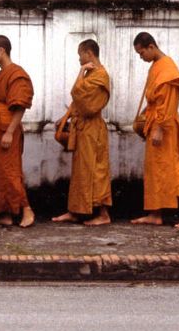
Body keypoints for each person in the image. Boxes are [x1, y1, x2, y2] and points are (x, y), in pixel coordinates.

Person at [129, 32, 179, 229]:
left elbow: (169, 103)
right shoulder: (156, 66)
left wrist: (159, 128)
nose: (140, 56)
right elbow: (154, 100)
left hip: (165, 125)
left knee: (169, 168)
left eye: (141, 52)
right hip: (155, 121)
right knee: (155, 170)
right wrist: (145, 115)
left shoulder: (168, 70)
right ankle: (155, 213)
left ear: (151, 47)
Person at [52, 39, 112, 226]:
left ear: (88, 53)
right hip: (82, 130)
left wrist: (80, 72)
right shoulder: (90, 74)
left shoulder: (100, 76)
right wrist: (65, 117)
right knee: (80, 173)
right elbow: (77, 102)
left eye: (80, 55)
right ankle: (76, 211)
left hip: (93, 129)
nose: (79, 59)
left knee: (96, 171)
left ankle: (103, 214)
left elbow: (81, 98)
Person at [0, 35, 35, 228]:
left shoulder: (17, 74)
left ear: (2, 50)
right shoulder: (0, 74)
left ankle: (27, 210)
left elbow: (19, 106)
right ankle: (5, 214)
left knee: (10, 172)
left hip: (7, 127)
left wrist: (10, 132)